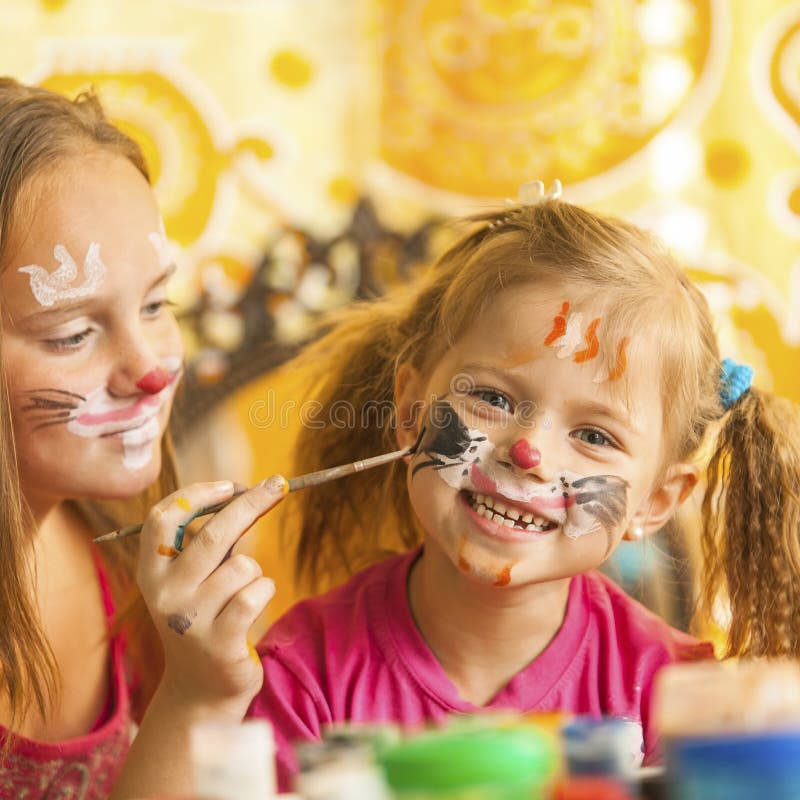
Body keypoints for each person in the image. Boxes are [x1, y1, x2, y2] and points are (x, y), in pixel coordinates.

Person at [245, 182, 800, 790]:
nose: (530, 452)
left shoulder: (674, 698)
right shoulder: (306, 670)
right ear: (409, 409)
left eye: (595, 435)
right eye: (491, 398)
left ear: (656, 501)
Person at [0, 78, 283, 799]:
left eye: (158, 303)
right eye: (72, 333)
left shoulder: (113, 542)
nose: (154, 369)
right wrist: (195, 701)